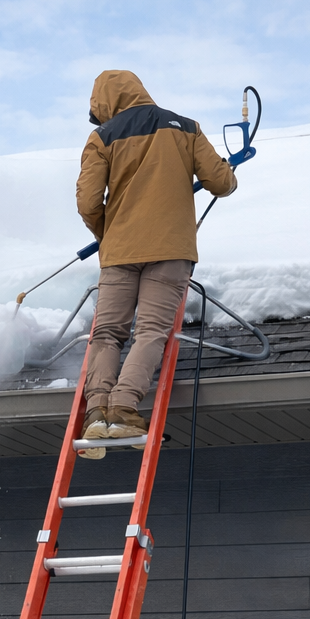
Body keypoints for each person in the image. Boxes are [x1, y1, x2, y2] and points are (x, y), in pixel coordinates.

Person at [75, 70, 237, 459]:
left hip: (118, 254)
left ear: (103, 102)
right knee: (150, 331)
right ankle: (125, 409)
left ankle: (97, 412)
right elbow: (220, 183)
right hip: (170, 249)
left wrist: (108, 233)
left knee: (107, 334)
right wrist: (226, 176)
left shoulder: (102, 137)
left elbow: (87, 202)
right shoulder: (185, 127)